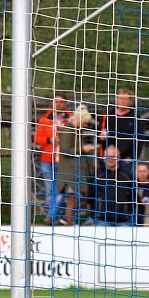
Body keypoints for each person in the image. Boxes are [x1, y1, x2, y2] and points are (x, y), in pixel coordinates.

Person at [34, 93, 71, 224]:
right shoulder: (44, 119)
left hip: (65, 159)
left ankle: (52, 216)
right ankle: (54, 217)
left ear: (66, 104)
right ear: (52, 103)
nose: (59, 104)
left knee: (62, 189)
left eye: (61, 102)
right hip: (47, 159)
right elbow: (37, 139)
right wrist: (48, 140)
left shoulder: (71, 119)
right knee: (50, 189)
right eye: (56, 102)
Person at [56, 105, 95, 226]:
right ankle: (69, 224)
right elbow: (65, 150)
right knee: (71, 199)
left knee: (83, 197)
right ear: (78, 120)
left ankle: (65, 219)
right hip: (69, 173)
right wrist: (83, 149)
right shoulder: (67, 130)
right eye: (85, 123)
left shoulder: (77, 130)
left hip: (77, 171)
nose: (86, 126)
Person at [88, 145, 134, 226]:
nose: (111, 159)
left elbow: (133, 196)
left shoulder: (127, 175)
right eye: (108, 157)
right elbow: (90, 196)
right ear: (103, 157)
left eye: (113, 156)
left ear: (119, 157)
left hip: (124, 221)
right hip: (101, 220)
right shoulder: (97, 175)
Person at [98, 87, 145, 162]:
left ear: (130, 101)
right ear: (117, 100)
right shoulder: (108, 115)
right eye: (120, 99)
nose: (123, 101)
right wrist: (100, 137)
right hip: (108, 157)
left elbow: (140, 139)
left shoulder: (135, 117)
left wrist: (132, 156)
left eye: (125, 99)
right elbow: (99, 133)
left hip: (126, 159)